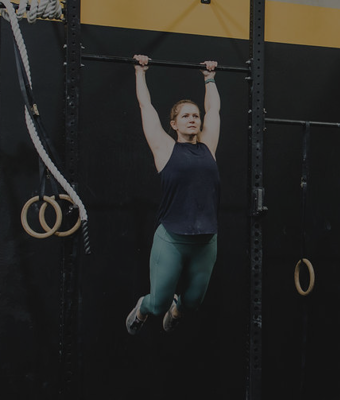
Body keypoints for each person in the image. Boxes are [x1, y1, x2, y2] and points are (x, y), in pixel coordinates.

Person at [125, 54, 221, 335]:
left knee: (191, 304)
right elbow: (146, 106)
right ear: (174, 124)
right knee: (158, 305)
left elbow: (213, 111)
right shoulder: (164, 149)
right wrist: (140, 72)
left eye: (195, 116)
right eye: (185, 116)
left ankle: (177, 307)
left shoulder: (208, 148)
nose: (193, 119)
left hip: (206, 240)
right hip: (173, 239)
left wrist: (210, 78)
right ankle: (143, 307)